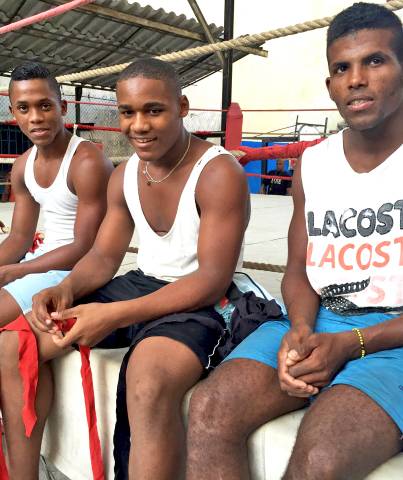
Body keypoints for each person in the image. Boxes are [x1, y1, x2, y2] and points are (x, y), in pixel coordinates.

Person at [186, 3, 403, 480]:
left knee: (321, 459)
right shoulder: (315, 164)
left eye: (376, 61)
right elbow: (298, 269)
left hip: (394, 338)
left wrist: (351, 343)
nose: (356, 79)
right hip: (320, 317)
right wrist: (301, 329)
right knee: (208, 410)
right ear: (330, 86)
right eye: (341, 68)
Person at [21, 58, 250, 479]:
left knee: (147, 384)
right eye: (128, 112)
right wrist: (68, 289)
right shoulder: (125, 173)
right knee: (17, 343)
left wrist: (112, 314)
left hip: (204, 298)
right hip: (142, 283)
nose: (139, 125)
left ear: (182, 106)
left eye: (154, 110)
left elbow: (210, 278)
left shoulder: (218, 172)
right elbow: (105, 257)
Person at [0, 61, 113, 477]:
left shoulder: (86, 162)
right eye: (24, 108)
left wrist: (11, 274)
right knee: (17, 350)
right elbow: (17, 240)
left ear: (62, 106)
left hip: (71, 271)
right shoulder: (23, 165)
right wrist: (6, 265)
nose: (35, 117)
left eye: (44, 106)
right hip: (38, 263)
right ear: (13, 112)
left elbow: (84, 246)